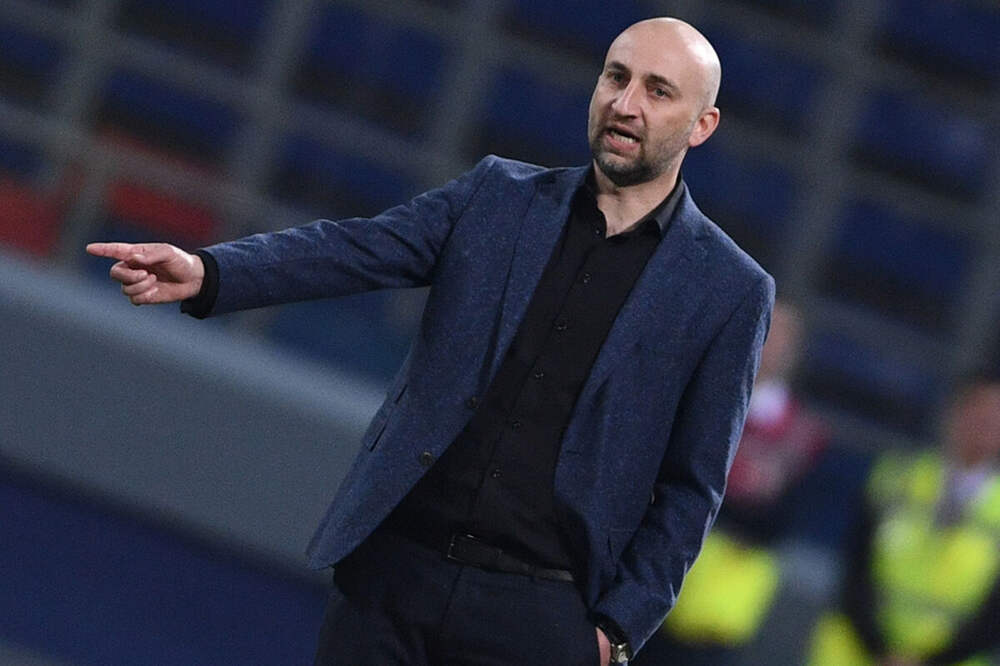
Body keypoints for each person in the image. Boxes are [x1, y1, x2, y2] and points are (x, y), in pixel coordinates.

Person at [88, 17, 774, 665]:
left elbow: (692, 490)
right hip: (392, 579)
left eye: (657, 91)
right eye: (616, 77)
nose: (625, 104)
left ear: (702, 124)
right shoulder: (498, 196)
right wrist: (211, 271)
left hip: (538, 619)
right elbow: (352, 249)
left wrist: (616, 633)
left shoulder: (729, 290)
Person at [635, 300, 828, 665]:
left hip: (716, 612)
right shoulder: (701, 398)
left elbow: (779, 522)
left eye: (782, 337)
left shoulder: (803, 436)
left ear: (795, 352)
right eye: (766, 330)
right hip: (645, 583)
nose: (770, 344)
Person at [806, 372, 1000, 666]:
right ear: (954, 412)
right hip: (859, 653)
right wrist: (881, 649)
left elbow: (993, 616)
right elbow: (854, 571)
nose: (985, 424)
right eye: (979, 410)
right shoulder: (896, 478)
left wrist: (927, 661)